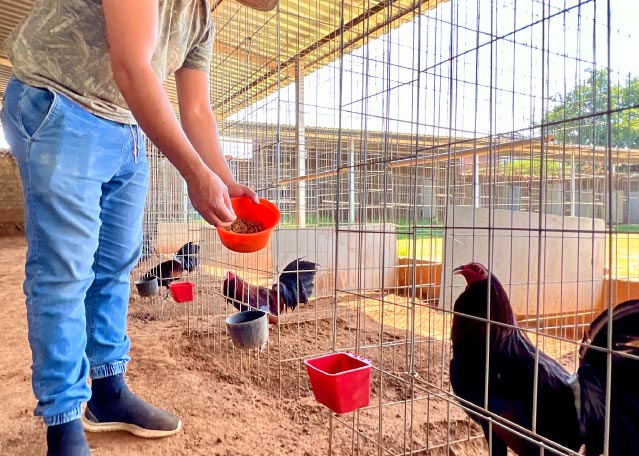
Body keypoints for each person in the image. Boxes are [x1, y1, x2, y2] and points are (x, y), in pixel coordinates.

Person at [1, 0, 276, 454]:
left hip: (123, 126)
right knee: (65, 274)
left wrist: (223, 180)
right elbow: (130, 65)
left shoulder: (200, 19)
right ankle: (64, 426)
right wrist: (193, 172)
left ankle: (107, 394)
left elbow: (197, 111)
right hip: (60, 100)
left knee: (114, 264)